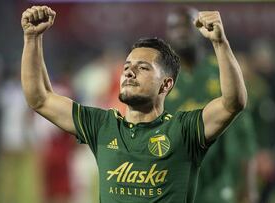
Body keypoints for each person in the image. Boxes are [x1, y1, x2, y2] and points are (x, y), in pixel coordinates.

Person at [21, 5, 247, 202]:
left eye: (143, 67)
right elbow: (39, 99)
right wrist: (32, 38)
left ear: (166, 85)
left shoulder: (184, 129)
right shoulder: (102, 126)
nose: (129, 72)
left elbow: (232, 103)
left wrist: (219, 43)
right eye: (128, 66)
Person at [165, 8, 257, 203]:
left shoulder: (222, 71)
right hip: (175, 187)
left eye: (187, 25)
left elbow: (244, 136)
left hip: (219, 185)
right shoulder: (161, 80)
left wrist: (249, 187)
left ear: (200, 28)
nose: (181, 32)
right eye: (174, 27)